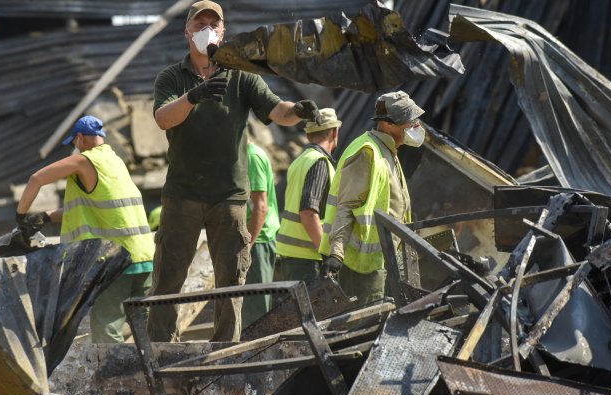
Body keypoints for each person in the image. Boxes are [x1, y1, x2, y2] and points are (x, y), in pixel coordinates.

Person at [149, 0, 321, 342]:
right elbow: (162, 118)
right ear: (187, 31)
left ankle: (224, 349)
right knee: (169, 275)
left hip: (229, 196)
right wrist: (193, 97)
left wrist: (298, 110)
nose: (207, 31)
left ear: (223, 31)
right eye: (200, 24)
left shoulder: (241, 75)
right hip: (183, 193)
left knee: (231, 279)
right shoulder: (172, 76)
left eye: (214, 24)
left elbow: (276, 110)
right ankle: (159, 348)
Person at [15, 115, 155, 343]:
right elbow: (93, 207)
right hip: (144, 255)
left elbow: (36, 179)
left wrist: (20, 216)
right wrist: (46, 217)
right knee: (146, 324)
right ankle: (155, 372)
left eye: (74, 143)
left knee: (106, 326)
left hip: (118, 259)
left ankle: (113, 377)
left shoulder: (84, 161)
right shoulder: (115, 161)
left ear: (79, 138)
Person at [318, 91, 425, 306]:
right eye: (409, 120)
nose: (415, 125)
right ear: (387, 124)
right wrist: (336, 254)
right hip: (359, 267)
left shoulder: (388, 152)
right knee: (360, 329)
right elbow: (346, 205)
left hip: (380, 262)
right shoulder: (368, 152)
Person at [275, 108, 342, 284]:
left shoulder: (301, 160)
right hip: (308, 258)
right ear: (334, 132)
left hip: (293, 255)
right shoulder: (319, 163)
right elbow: (308, 213)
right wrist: (327, 253)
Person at [242, 142, 280, 328]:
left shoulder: (251, 157)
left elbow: (260, 207)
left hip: (258, 240)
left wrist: (247, 247)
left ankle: (258, 352)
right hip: (256, 239)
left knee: (256, 311)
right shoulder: (246, 154)